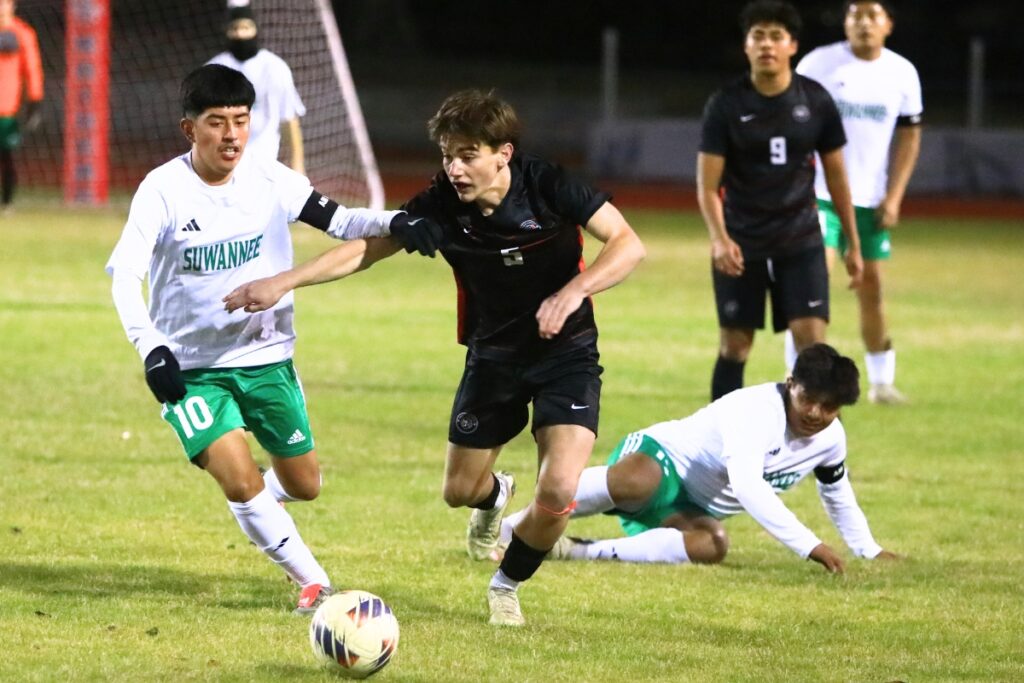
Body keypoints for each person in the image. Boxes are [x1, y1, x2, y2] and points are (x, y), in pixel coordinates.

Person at [223, 89, 646, 626]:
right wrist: (283, 282)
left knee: (559, 489)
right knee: (459, 492)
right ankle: (493, 500)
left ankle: (506, 583)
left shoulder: (550, 186)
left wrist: (574, 292)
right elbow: (364, 250)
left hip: (568, 355)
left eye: (468, 154)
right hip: (492, 359)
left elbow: (628, 243)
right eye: (448, 156)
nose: (455, 168)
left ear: (504, 154)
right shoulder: (442, 205)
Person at [105, 64, 434, 614]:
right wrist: (151, 347)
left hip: (265, 355)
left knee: (304, 484)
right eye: (217, 122)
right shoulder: (161, 191)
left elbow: (341, 220)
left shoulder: (269, 177)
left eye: (241, 119)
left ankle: (260, 504)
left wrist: (397, 222)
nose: (232, 134)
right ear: (190, 130)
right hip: (190, 370)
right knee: (237, 477)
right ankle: (316, 584)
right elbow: (125, 276)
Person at [499, 344, 899, 573]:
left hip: (689, 507)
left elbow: (836, 491)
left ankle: (576, 550)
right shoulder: (757, 411)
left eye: (828, 407)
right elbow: (747, 487)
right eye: (808, 399)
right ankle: (509, 531)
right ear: (790, 384)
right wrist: (810, 546)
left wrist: (867, 548)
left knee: (713, 545)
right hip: (660, 459)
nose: (815, 413)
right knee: (636, 482)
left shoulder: (830, 439)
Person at [697, 0, 863, 401]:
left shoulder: (816, 100)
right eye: (758, 36)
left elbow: (838, 177)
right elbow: (706, 185)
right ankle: (721, 442)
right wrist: (720, 238)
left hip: (800, 239)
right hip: (742, 242)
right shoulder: (726, 104)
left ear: (792, 46)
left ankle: (820, 451)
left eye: (776, 36)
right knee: (735, 346)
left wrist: (852, 243)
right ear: (746, 46)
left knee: (813, 349)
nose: (767, 45)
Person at [794, 0, 923, 404]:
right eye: (855, 15)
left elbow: (910, 135)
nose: (863, 23)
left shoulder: (902, 73)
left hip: (870, 201)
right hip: (819, 196)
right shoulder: (818, 65)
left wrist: (895, 195)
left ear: (888, 24)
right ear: (846, 23)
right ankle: (800, 378)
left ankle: (882, 382)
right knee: (814, 284)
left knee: (873, 289)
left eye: (872, 16)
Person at [207, 0, 306, 173]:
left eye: (245, 28)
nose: (240, 34)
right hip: (223, 161)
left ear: (255, 29)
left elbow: (289, 120)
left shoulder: (275, 67)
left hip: (264, 161)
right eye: (234, 29)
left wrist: (298, 165)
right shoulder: (213, 69)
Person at [0, 0, 43, 214]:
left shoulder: (23, 33)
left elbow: (32, 69)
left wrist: (35, 102)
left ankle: (7, 203)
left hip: (7, 109)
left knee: (7, 157)